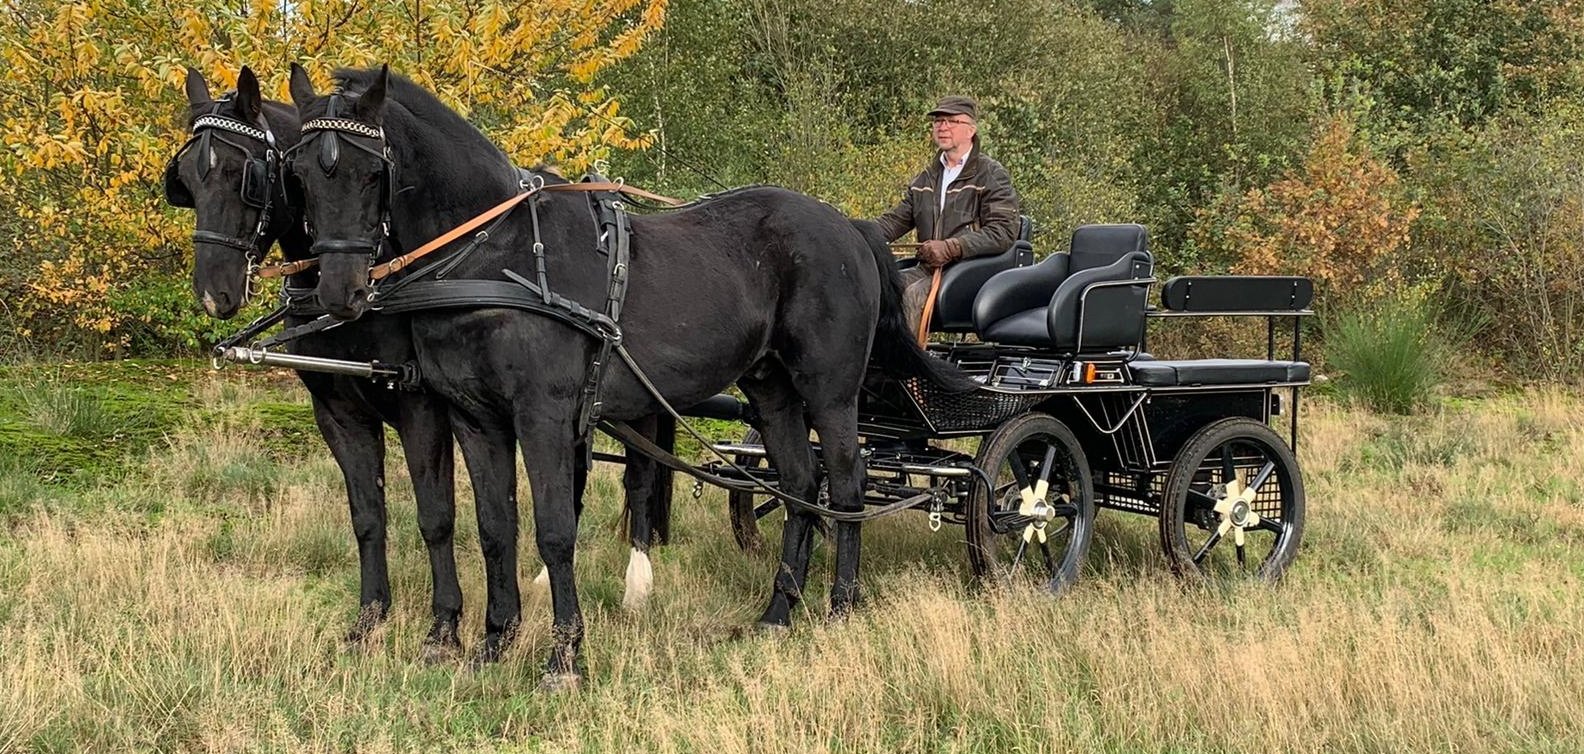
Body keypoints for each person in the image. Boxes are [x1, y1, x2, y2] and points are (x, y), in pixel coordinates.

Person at [875, 95, 1023, 334]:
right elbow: (894, 222)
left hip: (970, 270)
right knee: (874, 289)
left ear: (971, 130)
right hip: (927, 270)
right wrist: (855, 233)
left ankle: (906, 369)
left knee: (911, 296)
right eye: (938, 121)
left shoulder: (991, 174)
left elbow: (1004, 232)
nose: (942, 127)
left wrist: (952, 247)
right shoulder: (925, 178)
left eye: (951, 121)